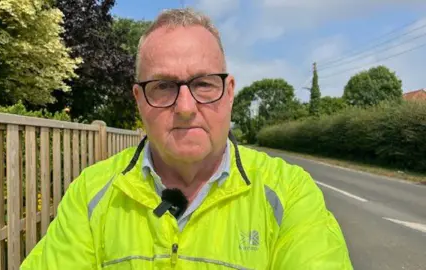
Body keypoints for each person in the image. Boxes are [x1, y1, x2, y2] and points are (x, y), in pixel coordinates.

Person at [21, 7, 353, 269]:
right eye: (163, 86)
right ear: (139, 99)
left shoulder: (290, 193)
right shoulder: (90, 194)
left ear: (229, 93)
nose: (184, 107)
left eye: (204, 84)